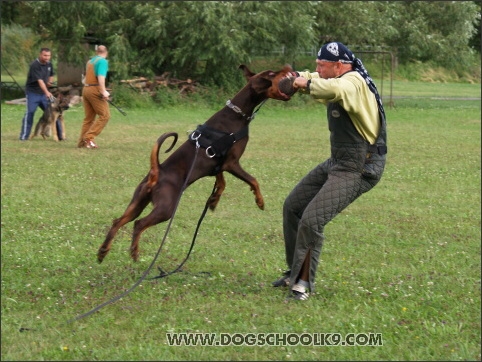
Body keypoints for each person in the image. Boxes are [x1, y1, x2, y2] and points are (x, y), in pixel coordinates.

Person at [272, 42, 388, 301]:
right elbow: (314, 79)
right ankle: (293, 272)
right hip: (339, 161)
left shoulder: (354, 82)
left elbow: (334, 88)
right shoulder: (333, 76)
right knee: (292, 206)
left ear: (339, 66)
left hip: (361, 166)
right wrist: (295, 78)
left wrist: (304, 84)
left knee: (312, 221)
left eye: (322, 65)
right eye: (317, 65)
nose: (317, 69)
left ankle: (301, 285)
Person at [78, 45, 110, 149]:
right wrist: (103, 91)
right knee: (105, 115)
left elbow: (86, 77)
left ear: (97, 52)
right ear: (106, 52)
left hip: (86, 89)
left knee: (89, 119)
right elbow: (101, 78)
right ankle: (89, 137)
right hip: (95, 90)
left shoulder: (90, 61)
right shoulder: (102, 62)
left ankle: (82, 143)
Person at [19, 48, 55, 141]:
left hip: (43, 93)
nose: (47, 58)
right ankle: (24, 136)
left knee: (54, 112)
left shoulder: (49, 64)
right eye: (45, 55)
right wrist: (47, 92)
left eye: (49, 55)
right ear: (40, 55)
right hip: (33, 93)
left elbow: (51, 75)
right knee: (30, 113)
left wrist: (50, 82)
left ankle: (60, 136)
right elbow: (40, 82)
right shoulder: (35, 65)